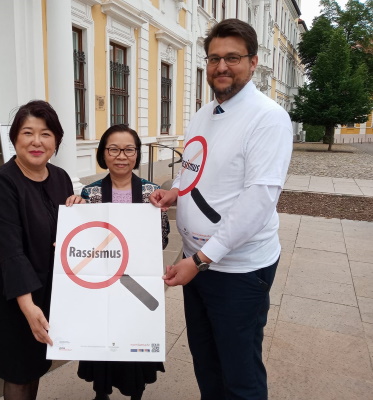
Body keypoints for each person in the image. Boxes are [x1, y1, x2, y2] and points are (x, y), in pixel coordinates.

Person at [149, 19, 292, 399]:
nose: (222, 67)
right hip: (198, 262)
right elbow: (194, 170)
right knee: (207, 361)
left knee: (240, 371)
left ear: (254, 61)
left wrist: (198, 262)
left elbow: (258, 201)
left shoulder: (267, 118)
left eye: (232, 58)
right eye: (214, 58)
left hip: (237, 271)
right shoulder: (203, 113)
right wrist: (174, 193)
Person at [0, 100, 81, 400]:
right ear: (14, 139)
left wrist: (79, 216)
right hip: (10, 292)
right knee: (18, 372)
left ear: (56, 141)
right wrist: (27, 305)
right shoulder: (0, 184)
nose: (37, 141)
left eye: (46, 134)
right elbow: (10, 251)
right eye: (28, 132)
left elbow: (60, 234)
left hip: (46, 285)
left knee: (36, 364)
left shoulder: (60, 178)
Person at [70, 124, 169, 400]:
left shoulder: (153, 193)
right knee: (103, 337)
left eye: (128, 149)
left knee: (134, 337)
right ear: (104, 154)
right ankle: (101, 393)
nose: (121, 156)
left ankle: (135, 392)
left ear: (137, 154)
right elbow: (83, 241)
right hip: (102, 283)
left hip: (137, 283)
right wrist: (74, 209)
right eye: (113, 149)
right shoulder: (90, 194)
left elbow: (161, 240)